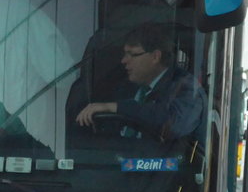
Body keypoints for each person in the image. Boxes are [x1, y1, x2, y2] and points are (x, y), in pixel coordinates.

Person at [75, 22, 204, 143]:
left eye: (131, 54)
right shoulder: (126, 88)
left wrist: (116, 107)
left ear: (155, 56)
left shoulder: (186, 88)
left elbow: (175, 124)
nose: (123, 61)